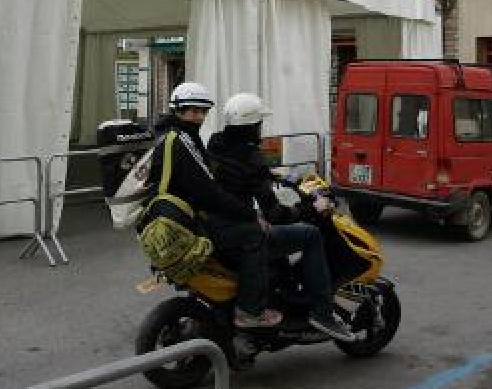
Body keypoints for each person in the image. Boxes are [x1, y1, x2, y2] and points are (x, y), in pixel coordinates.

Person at [208, 92, 354, 341]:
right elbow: (274, 213)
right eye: (259, 125)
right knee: (310, 234)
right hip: (241, 232)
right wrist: (308, 210)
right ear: (252, 126)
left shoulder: (216, 144)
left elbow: (237, 180)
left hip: (216, 225)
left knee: (278, 241)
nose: (261, 130)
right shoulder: (251, 157)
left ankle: (283, 293)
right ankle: (322, 313)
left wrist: (275, 176)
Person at [146, 81, 283, 329]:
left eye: (202, 111)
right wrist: (250, 215)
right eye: (193, 111)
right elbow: (208, 191)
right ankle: (250, 311)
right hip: (185, 218)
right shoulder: (181, 141)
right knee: (254, 236)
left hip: (171, 214)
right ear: (178, 110)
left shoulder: (169, 136)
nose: (198, 117)